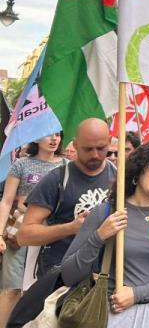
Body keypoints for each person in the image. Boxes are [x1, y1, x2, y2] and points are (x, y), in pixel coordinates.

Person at [61, 141, 149, 326]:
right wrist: (99, 237)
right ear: (139, 168)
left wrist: (136, 294)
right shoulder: (106, 212)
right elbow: (68, 275)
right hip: (110, 313)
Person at [17, 118, 116, 279]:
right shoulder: (57, 179)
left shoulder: (121, 178)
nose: (95, 154)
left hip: (106, 276)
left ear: (110, 142)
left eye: (101, 148)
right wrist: (71, 228)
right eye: (88, 149)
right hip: (61, 278)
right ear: (75, 144)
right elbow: (24, 235)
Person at [0, 134, 64, 326]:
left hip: (51, 236)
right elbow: (6, 201)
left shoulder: (66, 166)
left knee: (39, 292)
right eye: (48, 135)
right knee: (11, 289)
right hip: (19, 235)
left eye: (57, 135)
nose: (54, 139)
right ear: (35, 138)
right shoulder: (21, 164)